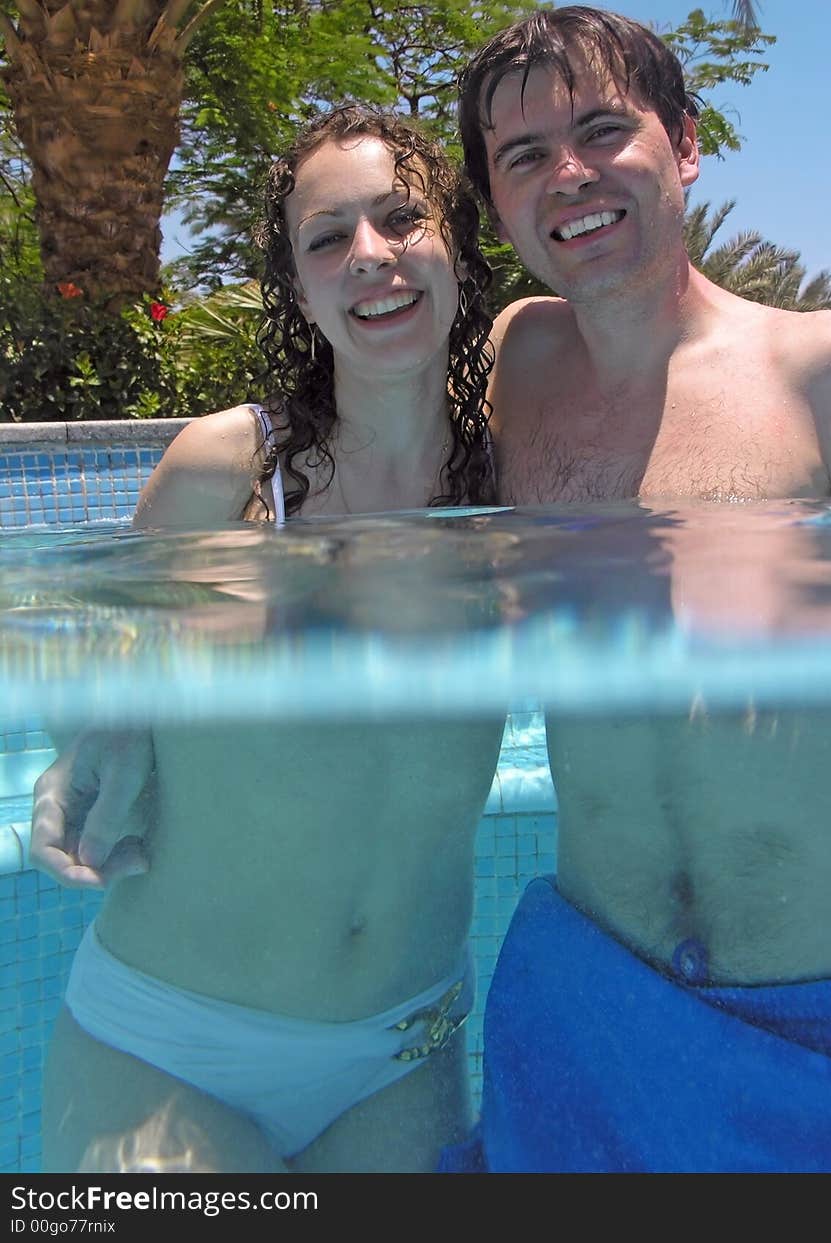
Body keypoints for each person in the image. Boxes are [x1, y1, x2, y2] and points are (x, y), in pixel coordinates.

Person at [438, 6, 831, 1171]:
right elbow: (326, 470)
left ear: (684, 145)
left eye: (601, 132)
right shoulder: (512, 366)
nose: (568, 175)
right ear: (496, 201)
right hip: (590, 1002)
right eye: (523, 156)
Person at [35, 103, 508, 1174]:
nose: (370, 257)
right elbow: (99, 675)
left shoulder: (516, 476)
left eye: (400, 219)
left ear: (456, 247)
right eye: (327, 238)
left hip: (406, 1050)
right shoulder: (228, 470)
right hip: (171, 1044)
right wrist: (88, 744)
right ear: (298, 287)